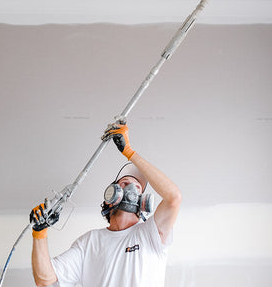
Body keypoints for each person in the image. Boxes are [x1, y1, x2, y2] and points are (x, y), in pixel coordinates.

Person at [30, 122, 181, 287]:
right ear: (111, 194)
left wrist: (129, 152)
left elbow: (173, 198)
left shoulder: (150, 234)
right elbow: (45, 279)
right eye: (125, 184)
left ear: (143, 202)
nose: (131, 190)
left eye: (137, 188)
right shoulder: (90, 242)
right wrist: (39, 233)